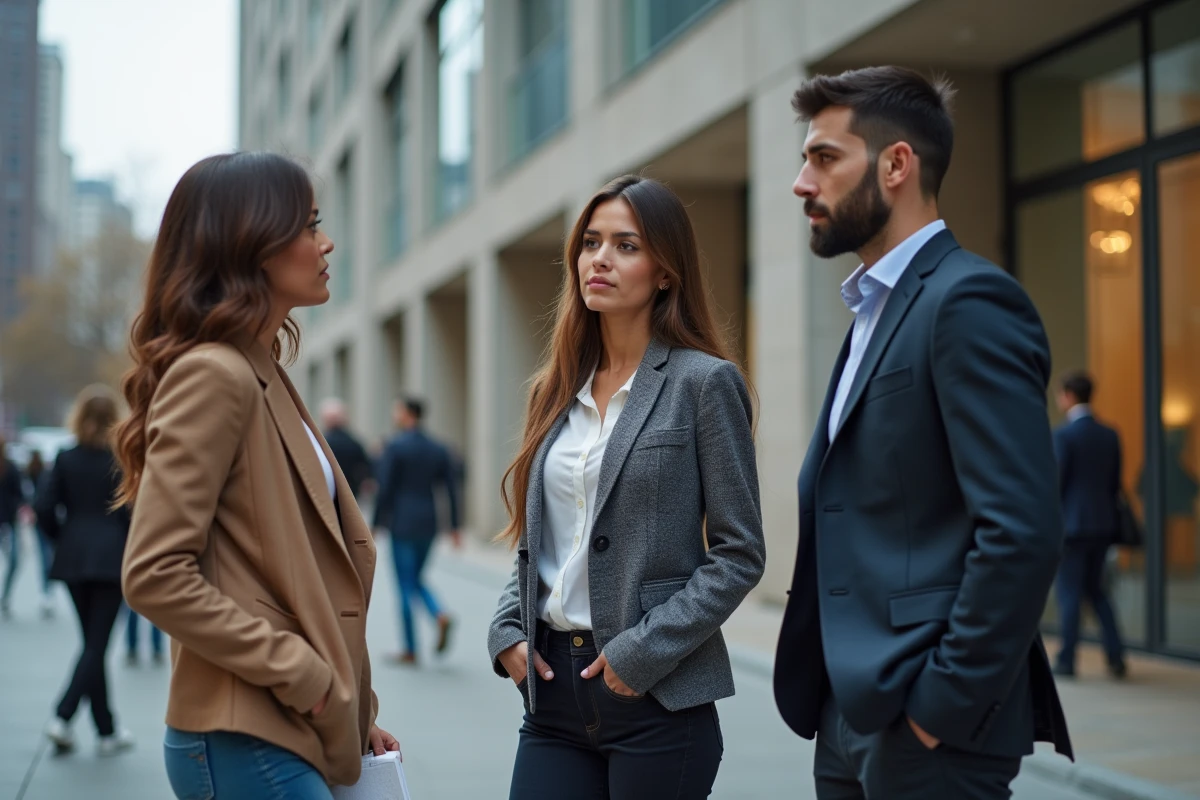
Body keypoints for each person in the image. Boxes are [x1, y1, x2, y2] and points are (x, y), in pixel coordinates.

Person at [772, 67, 1072, 799]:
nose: (800, 184)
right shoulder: (874, 310)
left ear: (896, 164)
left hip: (925, 725)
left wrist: (940, 707)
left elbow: (1021, 530)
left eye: (823, 158)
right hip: (849, 712)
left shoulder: (968, 299)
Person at [113, 152, 398, 798]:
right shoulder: (216, 374)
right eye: (307, 226)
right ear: (250, 243)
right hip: (245, 734)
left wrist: (358, 714)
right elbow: (154, 574)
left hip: (285, 726)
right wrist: (307, 677)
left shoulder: (259, 368)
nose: (326, 243)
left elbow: (296, 567)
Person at [488, 175, 766, 799]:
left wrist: (642, 652)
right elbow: (544, 542)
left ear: (665, 271)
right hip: (551, 696)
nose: (600, 259)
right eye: (590, 243)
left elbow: (740, 552)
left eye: (626, 245)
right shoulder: (555, 390)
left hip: (656, 697)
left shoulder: (704, 384)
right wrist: (507, 628)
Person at [37, 385, 135, 756]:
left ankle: (106, 729)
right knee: (96, 645)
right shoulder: (122, 459)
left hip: (74, 557)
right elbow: (132, 513)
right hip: (111, 558)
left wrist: (64, 538)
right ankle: (62, 717)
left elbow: (45, 508)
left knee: (92, 645)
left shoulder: (65, 458)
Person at [372, 397, 460, 665]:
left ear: (407, 414)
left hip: (402, 522)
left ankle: (410, 649)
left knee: (404, 584)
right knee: (415, 578)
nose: (394, 414)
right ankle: (438, 612)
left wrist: (375, 524)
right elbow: (451, 489)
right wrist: (455, 526)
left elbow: (384, 488)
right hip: (428, 521)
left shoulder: (395, 446)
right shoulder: (438, 448)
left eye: (397, 409)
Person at [1052, 371, 1128, 679]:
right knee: (1097, 592)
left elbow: (1057, 482)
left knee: (1069, 593)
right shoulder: (1110, 434)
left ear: (1069, 395)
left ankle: (1067, 660)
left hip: (1072, 527)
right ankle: (1116, 656)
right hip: (1103, 525)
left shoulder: (1064, 435)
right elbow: (1114, 484)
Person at [24, 450, 58, 618]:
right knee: (46, 556)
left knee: (44, 557)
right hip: (41, 520)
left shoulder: (31, 474)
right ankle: (47, 592)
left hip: (38, 521)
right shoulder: (39, 474)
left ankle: (47, 592)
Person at [320, 398, 374, 499]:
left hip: (326, 492)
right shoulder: (354, 442)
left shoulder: (321, 443)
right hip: (350, 492)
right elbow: (365, 468)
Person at [0, 435, 25, 618]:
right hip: (8, 521)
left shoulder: (11, 468)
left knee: (15, 560)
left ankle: (5, 597)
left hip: (8, 522)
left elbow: (19, 494)